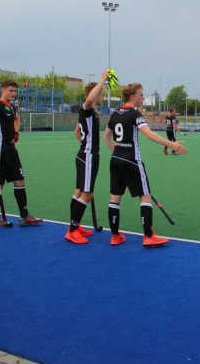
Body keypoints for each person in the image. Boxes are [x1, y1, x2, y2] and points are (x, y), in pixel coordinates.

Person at [103, 83, 187, 247]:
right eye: (140, 95)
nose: (142, 98)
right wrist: (172, 144)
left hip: (116, 160)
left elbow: (106, 137)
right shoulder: (135, 114)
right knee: (145, 196)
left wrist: (117, 152)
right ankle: (148, 236)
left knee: (115, 198)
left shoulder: (115, 114)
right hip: (132, 160)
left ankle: (115, 236)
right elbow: (149, 134)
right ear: (132, 96)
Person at [0, 79, 43, 227]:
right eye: (11, 90)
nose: (13, 93)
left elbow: (17, 119)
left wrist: (16, 133)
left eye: (15, 91)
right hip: (0, 150)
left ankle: (24, 217)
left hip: (11, 150)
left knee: (20, 181)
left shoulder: (11, 107)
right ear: (3, 90)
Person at [65, 70, 109, 244]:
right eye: (101, 94)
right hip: (88, 155)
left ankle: (74, 225)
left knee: (79, 191)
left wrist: (85, 144)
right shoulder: (87, 109)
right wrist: (103, 79)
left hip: (86, 154)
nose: (102, 97)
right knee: (87, 194)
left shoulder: (91, 113)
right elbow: (89, 100)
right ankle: (72, 230)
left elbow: (77, 132)